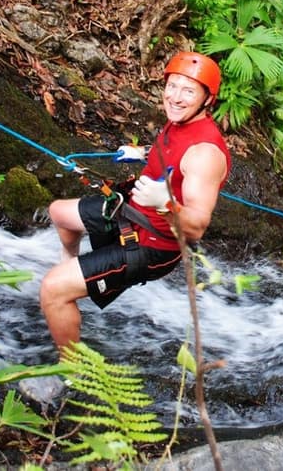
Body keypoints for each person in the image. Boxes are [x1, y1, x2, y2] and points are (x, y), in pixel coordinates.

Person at [38, 51, 231, 353]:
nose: (176, 97)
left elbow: (196, 228)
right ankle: (73, 276)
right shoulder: (180, 122)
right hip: (133, 211)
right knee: (59, 213)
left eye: (188, 91)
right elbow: (171, 153)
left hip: (154, 246)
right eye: (172, 86)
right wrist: (142, 153)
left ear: (208, 100)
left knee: (51, 288)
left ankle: (70, 372)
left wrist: (166, 203)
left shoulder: (204, 154)